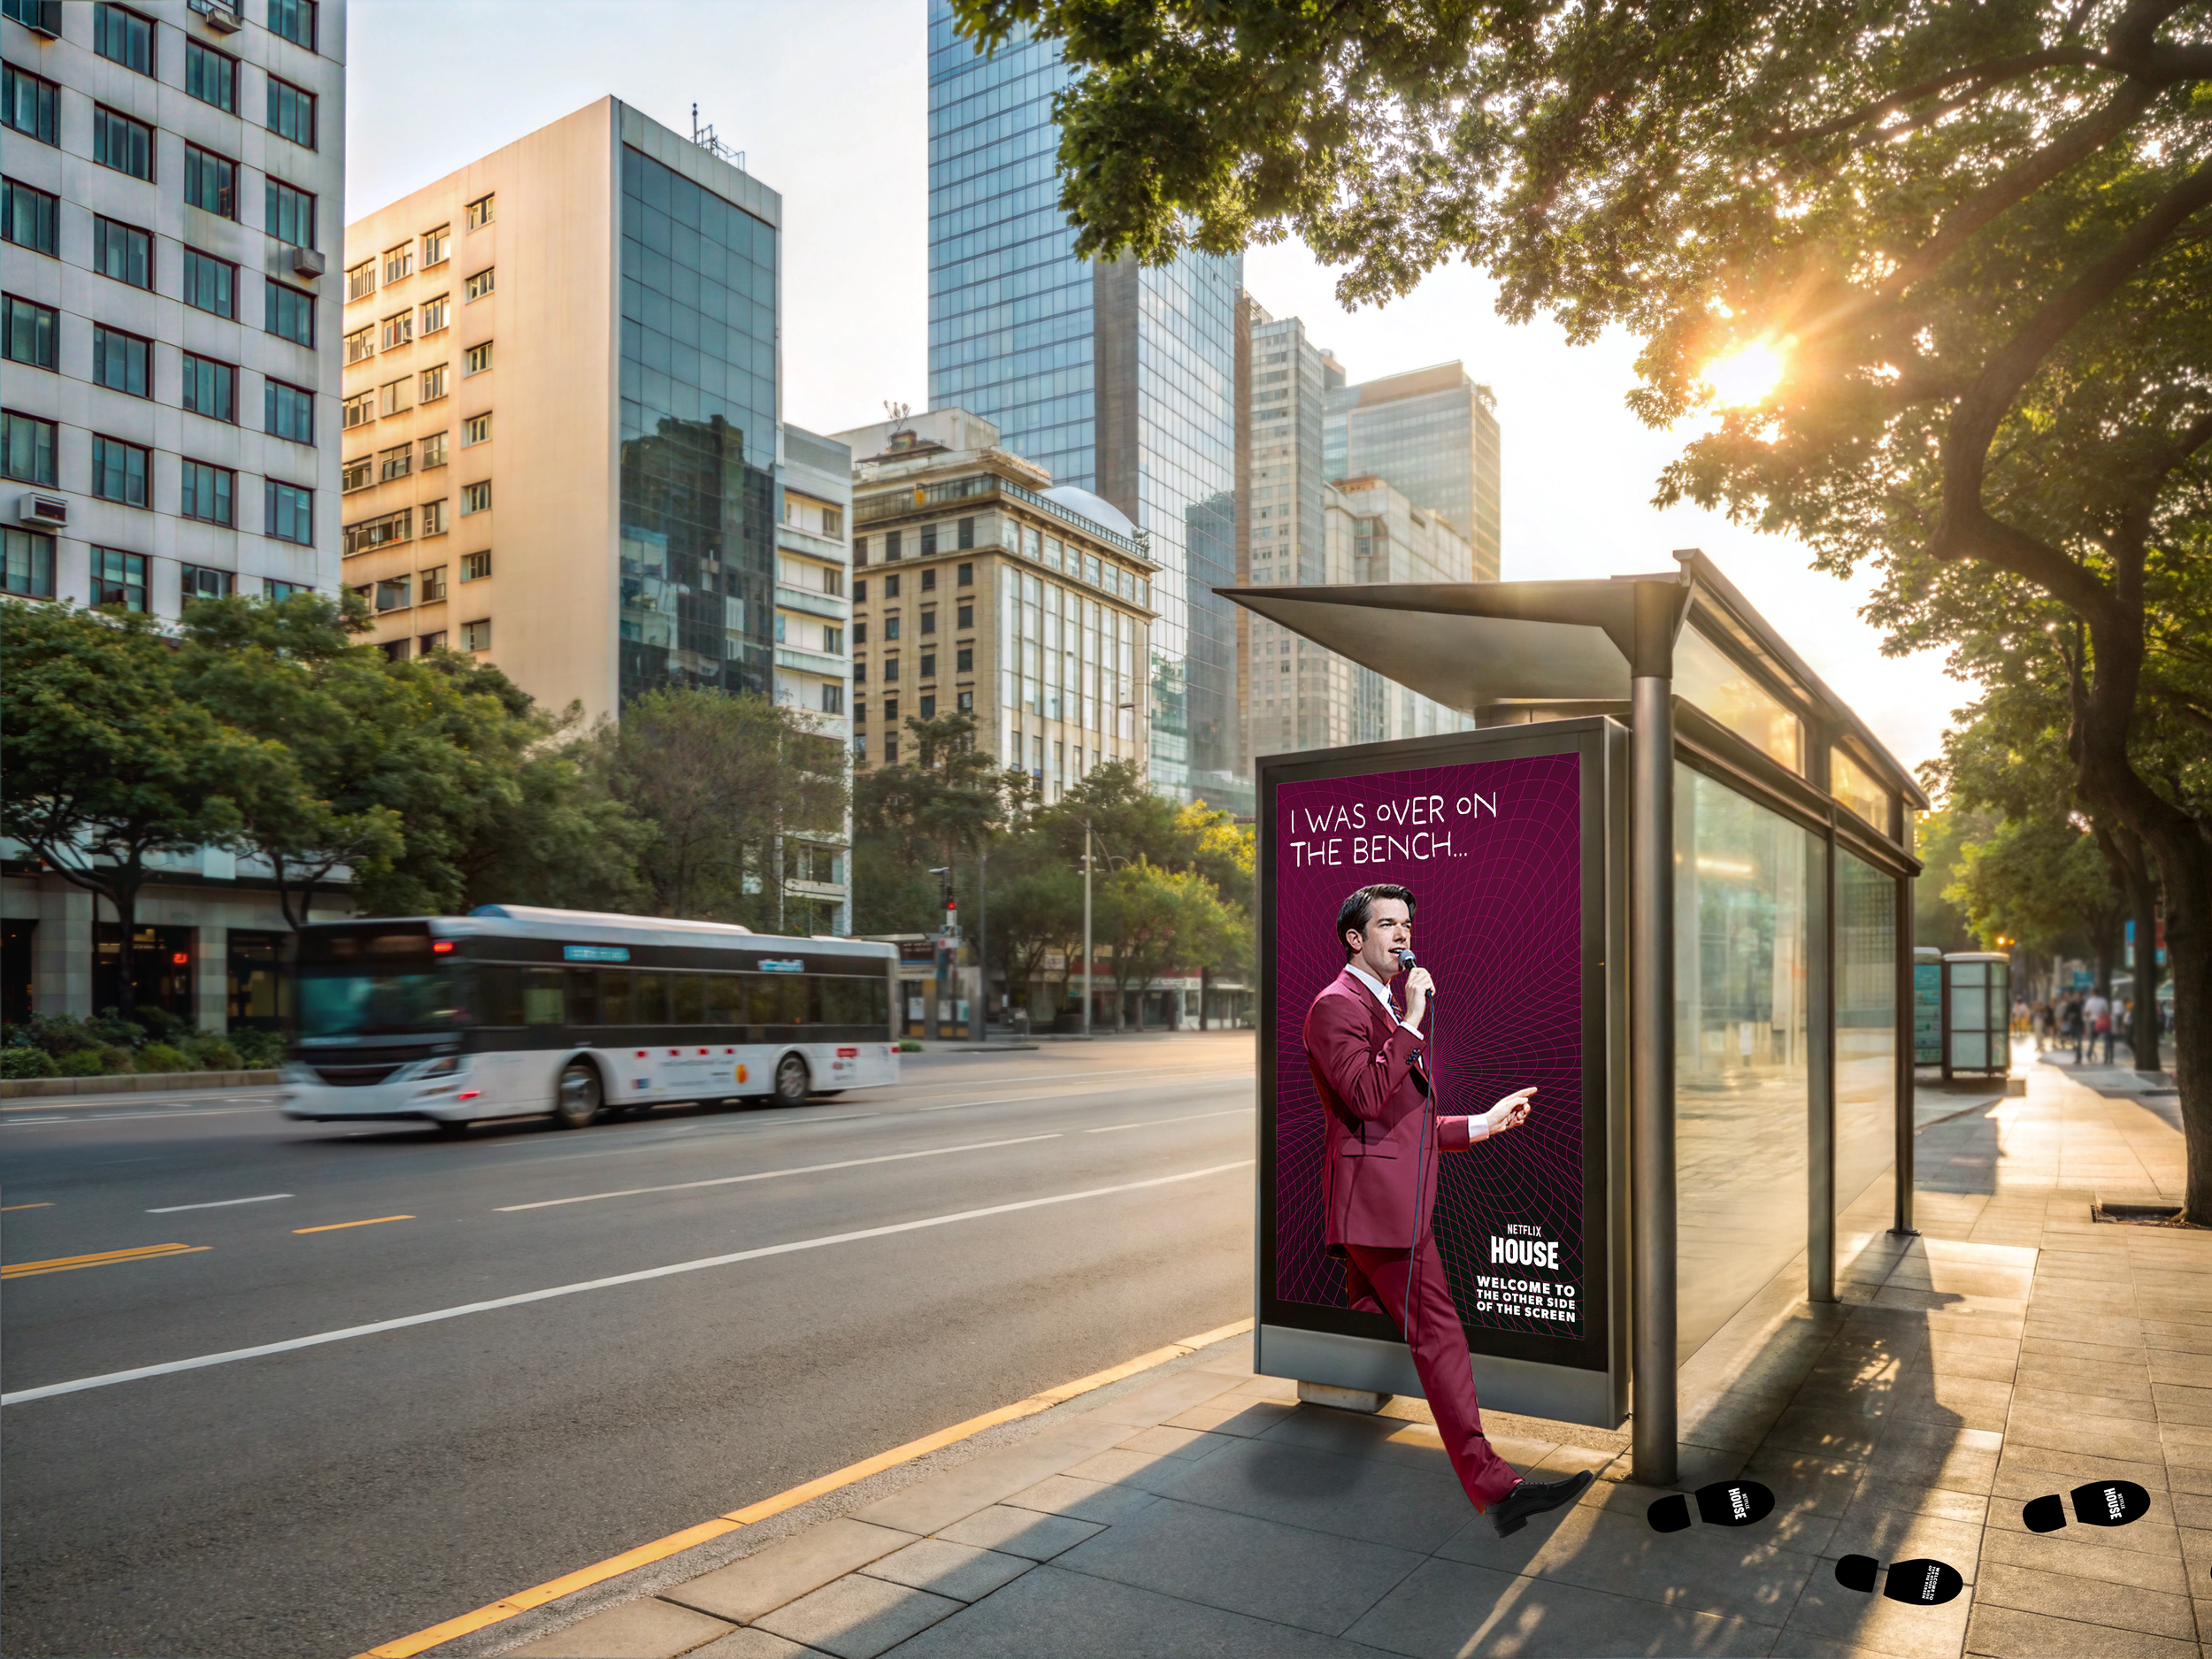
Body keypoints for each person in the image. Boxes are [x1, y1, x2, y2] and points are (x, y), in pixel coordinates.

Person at [1302, 881, 1594, 1539]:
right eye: (1386, 924)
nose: (1402, 934)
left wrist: (1485, 1123)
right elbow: (1367, 1098)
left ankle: (1470, 1486)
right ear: (1354, 938)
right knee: (1439, 1338)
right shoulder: (1336, 1006)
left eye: (1406, 923)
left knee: (1410, 1331)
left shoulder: (1380, 1006)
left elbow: (1404, 1126)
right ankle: (1498, 1489)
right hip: (1378, 1211)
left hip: (1395, 1203)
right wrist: (1411, 1020)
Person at [2084, 987, 2109, 1066]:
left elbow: (2087, 1012)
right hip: (2101, 1021)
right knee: (2106, 1040)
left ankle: (2089, 1055)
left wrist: (2088, 1020)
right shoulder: (2103, 1001)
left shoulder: (2089, 1001)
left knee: (2092, 1040)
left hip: (2092, 1021)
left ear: (2092, 993)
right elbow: (2106, 1012)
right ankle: (2106, 1057)